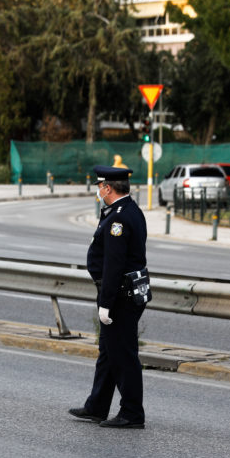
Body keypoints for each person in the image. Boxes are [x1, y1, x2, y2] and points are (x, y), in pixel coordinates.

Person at [69, 165, 149, 429]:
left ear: (107, 188)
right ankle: (97, 406)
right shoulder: (129, 210)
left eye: (99, 186)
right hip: (124, 292)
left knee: (123, 355)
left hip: (119, 296)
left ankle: (132, 413)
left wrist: (106, 304)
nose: (97, 190)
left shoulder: (118, 218)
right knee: (108, 352)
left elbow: (114, 264)